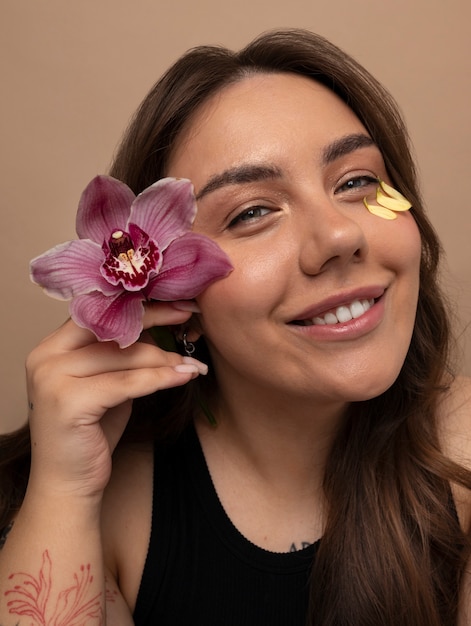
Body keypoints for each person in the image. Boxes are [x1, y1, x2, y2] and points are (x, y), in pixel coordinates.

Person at [1, 28, 471, 626]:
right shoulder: (112, 511)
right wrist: (62, 491)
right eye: (253, 212)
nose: (340, 235)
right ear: (175, 298)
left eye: (356, 182)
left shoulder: (463, 451)